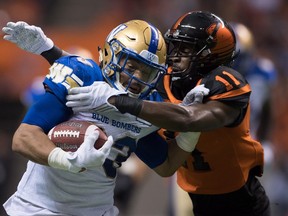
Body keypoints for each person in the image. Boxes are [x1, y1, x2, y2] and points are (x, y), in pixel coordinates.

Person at [64, 11, 271, 216]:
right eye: (176, 45)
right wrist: (53, 54)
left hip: (240, 198)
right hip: (192, 191)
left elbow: (190, 119)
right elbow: (105, 80)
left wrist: (122, 102)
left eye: (186, 49)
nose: (175, 54)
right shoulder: (161, 78)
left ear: (209, 56)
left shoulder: (226, 81)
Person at [2, 20, 202, 216]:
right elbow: (23, 138)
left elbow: (166, 165)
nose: (137, 78)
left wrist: (193, 128)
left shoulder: (148, 106)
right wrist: (66, 160)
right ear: (110, 55)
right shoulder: (82, 78)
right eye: (131, 66)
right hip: (38, 208)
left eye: (147, 72)